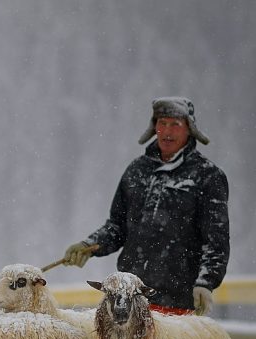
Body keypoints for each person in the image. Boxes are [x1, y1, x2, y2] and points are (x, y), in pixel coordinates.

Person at [61, 96, 230, 316]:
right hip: (130, 301)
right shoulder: (136, 171)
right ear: (153, 127)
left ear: (190, 129)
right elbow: (117, 227)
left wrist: (205, 283)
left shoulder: (207, 176)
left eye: (175, 124)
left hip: (178, 303)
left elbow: (216, 241)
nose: (167, 131)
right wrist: (90, 244)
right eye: (162, 123)